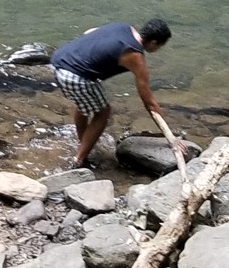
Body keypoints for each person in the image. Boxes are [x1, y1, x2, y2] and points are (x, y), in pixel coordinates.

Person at [50, 17, 177, 169]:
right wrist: (170, 136)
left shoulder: (124, 27)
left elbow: (90, 32)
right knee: (103, 112)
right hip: (73, 75)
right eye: (160, 46)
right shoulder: (134, 55)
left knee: (84, 102)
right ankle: (79, 160)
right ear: (154, 42)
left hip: (58, 60)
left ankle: (83, 142)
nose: (158, 49)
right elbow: (149, 101)